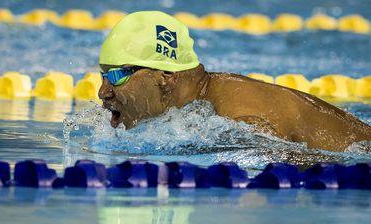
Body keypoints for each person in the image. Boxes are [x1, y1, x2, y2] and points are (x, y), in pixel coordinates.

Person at [98, 11, 371, 152]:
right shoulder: (200, 104)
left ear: (166, 77)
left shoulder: (236, 118)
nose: (103, 92)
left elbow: (315, 167)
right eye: (103, 75)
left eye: (118, 75)